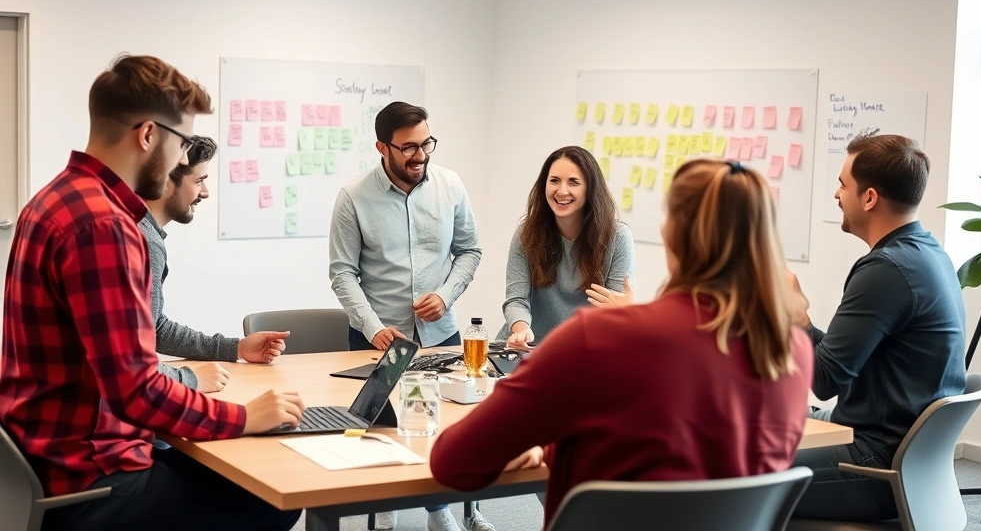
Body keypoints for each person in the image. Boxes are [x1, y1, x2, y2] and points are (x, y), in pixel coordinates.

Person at [0, 54, 304, 531]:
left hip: (41, 460)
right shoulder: (105, 225)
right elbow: (136, 391)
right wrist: (241, 417)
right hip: (91, 478)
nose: (184, 160)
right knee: (273, 500)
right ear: (147, 135)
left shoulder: (53, 198)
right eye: (182, 143)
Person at [430, 159, 813, 526]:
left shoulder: (597, 338)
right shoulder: (792, 350)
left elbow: (453, 462)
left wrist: (549, 444)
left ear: (671, 234)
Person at [788, 133, 967, 522]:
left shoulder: (886, 270)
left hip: (873, 464)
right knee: (763, 420)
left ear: (869, 198)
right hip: (906, 455)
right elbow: (841, 361)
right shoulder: (929, 253)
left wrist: (793, 315)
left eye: (842, 184)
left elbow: (823, 378)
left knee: (734, 465)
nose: (837, 194)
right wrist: (800, 320)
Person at [328, 101, 486, 531]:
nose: (420, 155)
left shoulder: (450, 185)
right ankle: (385, 507)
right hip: (378, 337)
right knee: (385, 428)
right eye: (408, 148)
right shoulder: (353, 197)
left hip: (441, 333)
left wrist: (447, 294)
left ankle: (440, 512)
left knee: (444, 425)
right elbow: (342, 273)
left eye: (426, 143)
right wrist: (373, 327)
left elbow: (469, 251)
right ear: (382, 147)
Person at [140, 135, 289, 393]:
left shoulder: (146, 233)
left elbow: (154, 328)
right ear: (166, 183)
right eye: (199, 181)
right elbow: (133, 362)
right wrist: (191, 379)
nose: (205, 193)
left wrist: (236, 348)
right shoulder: (146, 242)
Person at [500, 146, 636, 350]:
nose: (562, 191)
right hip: (529, 348)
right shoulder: (526, 233)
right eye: (554, 180)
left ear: (589, 189)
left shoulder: (617, 237)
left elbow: (613, 310)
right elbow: (516, 300)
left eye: (573, 182)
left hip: (584, 351)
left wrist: (625, 313)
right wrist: (521, 330)